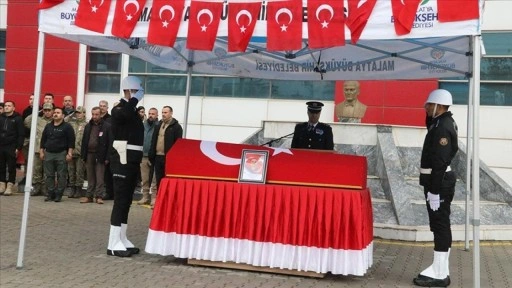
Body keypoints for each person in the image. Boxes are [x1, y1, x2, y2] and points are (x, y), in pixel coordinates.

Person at [413, 89, 458, 287]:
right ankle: (441, 268)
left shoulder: (442, 127)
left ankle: (439, 274)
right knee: (439, 224)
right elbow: (429, 123)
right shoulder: (439, 123)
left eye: (429, 104)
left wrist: (435, 191)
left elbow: (439, 162)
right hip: (437, 181)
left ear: (439, 106)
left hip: (439, 182)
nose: (426, 107)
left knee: (439, 225)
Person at [106, 76, 144, 257]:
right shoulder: (119, 109)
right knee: (120, 200)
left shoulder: (132, 110)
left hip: (133, 159)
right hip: (122, 159)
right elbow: (124, 114)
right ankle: (113, 243)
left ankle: (122, 237)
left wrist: (134, 102)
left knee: (127, 200)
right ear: (128, 91)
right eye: (135, 91)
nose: (138, 95)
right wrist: (134, 99)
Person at [148, 105, 183, 209]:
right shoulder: (158, 125)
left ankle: (168, 202)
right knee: (158, 180)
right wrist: (151, 154)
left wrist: (174, 158)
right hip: (157, 157)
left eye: (166, 112)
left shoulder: (176, 127)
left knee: (167, 180)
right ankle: (159, 201)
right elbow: (153, 140)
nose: (163, 114)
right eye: (162, 112)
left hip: (168, 158)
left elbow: (178, 144)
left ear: (171, 113)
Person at [40, 107, 75, 202]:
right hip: (49, 153)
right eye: (54, 112)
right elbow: (43, 140)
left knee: (61, 175)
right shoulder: (48, 126)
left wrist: (69, 153)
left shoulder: (67, 127)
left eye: (58, 113)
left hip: (61, 153)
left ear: (63, 115)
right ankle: (50, 193)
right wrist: (42, 151)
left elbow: (71, 141)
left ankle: (59, 194)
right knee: (49, 175)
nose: (55, 114)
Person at [80, 107, 112, 204]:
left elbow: (110, 143)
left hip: (100, 155)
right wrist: (83, 155)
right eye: (93, 114)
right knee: (90, 176)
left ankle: (99, 196)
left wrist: (107, 157)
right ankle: (89, 196)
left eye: (96, 114)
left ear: (101, 114)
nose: (94, 116)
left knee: (100, 177)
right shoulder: (88, 126)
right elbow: (84, 141)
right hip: (89, 154)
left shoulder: (107, 126)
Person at [25, 103, 54, 197]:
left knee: (47, 169)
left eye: (49, 110)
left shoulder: (55, 121)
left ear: (52, 111)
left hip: (50, 149)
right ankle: (37, 187)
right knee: (37, 169)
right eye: (45, 110)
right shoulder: (37, 120)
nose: (47, 112)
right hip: (37, 148)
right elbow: (26, 121)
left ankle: (45, 187)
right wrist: (38, 111)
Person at [0, 101, 24, 196]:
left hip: (12, 147)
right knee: (1, 166)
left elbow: (21, 134)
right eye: (5, 106)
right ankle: (2, 184)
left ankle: (10, 185)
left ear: (13, 108)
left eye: (9, 106)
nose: (6, 107)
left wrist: (18, 147)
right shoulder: (1, 117)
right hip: (1, 146)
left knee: (11, 166)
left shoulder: (18, 119)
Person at [65, 105, 87, 198]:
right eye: (77, 113)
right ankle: (72, 188)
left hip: (80, 152)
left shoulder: (87, 124)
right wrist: (71, 114)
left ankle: (79, 189)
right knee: (71, 171)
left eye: (80, 112)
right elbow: (64, 120)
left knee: (79, 171)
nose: (78, 114)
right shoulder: (71, 123)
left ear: (84, 114)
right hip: (71, 151)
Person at [137, 107, 158, 205]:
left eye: (153, 114)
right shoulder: (143, 125)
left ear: (157, 115)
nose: (151, 115)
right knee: (144, 178)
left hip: (154, 156)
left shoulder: (159, 126)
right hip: (143, 155)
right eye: (149, 113)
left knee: (154, 179)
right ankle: (145, 197)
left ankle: (154, 197)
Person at [99, 100, 114, 200]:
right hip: (98, 149)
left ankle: (109, 192)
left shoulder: (110, 120)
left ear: (107, 108)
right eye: (100, 106)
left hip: (107, 148)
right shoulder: (95, 119)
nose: (102, 108)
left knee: (108, 174)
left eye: (104, 106)